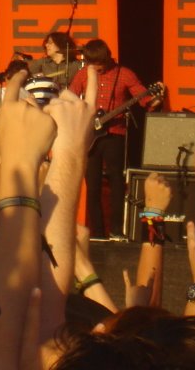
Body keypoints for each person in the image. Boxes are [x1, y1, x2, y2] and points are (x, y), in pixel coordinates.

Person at [68, 38, 158, 240]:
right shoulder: (83, 74)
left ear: (107, 57)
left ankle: (116, 229)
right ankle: (97, 233)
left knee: (117, 181)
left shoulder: (124, 74)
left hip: (115, 133)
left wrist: (154, 100)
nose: (97, 68)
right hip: (90, 136)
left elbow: (144, 99)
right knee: (92, 185)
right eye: (93, 64)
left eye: (99, 64)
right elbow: (71, 98)